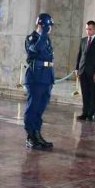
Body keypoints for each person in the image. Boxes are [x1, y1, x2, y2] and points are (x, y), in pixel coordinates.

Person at [24, 13, 56, 150]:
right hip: (36, 78)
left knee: (40, 108)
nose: (51, 29)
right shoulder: (32, 38)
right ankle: (30, 136)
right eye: (49, 26)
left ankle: (37, 134)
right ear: (42, 25)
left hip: (46, 77)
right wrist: (43, 34)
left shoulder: (46, 39)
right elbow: (35, 50)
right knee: (33, 107)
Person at [75, 20, 95, 121]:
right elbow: (79, 55)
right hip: (83, 71)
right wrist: (76, 68)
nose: (88, 31)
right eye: (87, 29)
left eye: (90, 29)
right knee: (85, 93)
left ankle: (91, 113)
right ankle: (85, 112)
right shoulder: (83, 40)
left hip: (93, 72)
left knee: (92, 93)